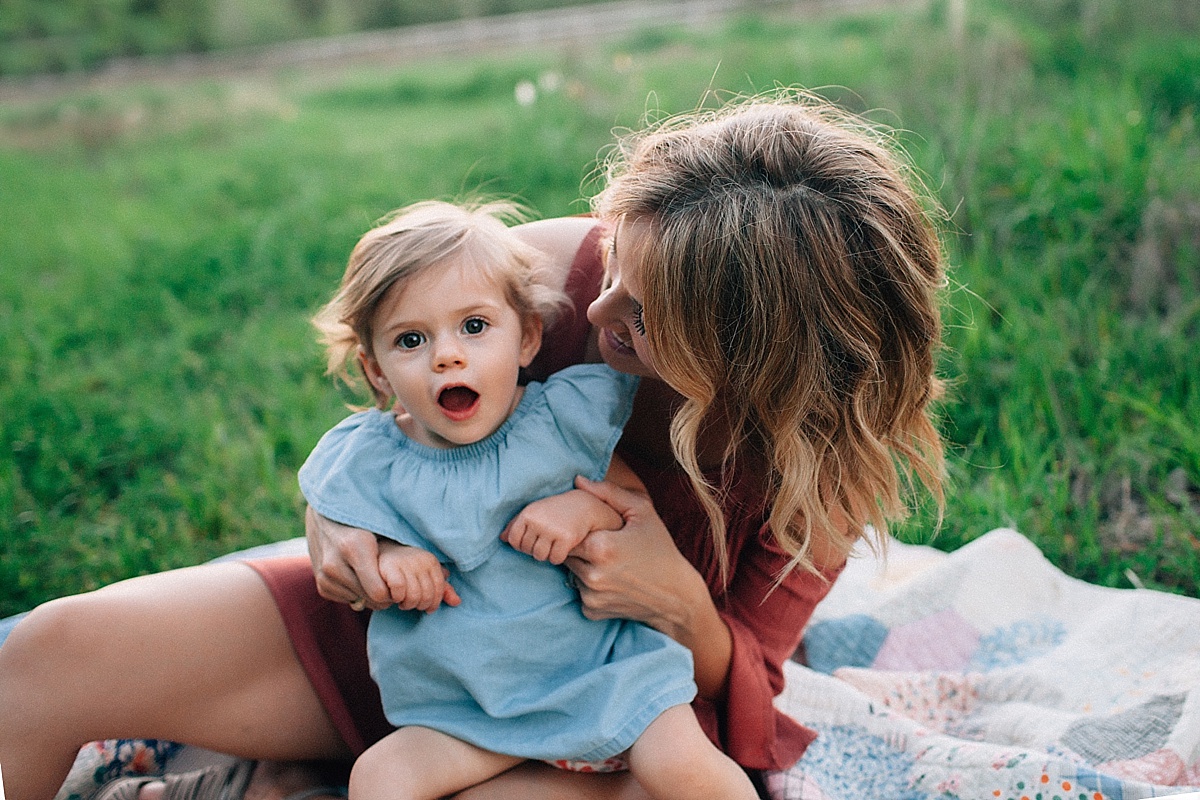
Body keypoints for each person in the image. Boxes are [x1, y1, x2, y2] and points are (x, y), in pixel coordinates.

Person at [0, 89, 947, 800]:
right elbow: (383, 427)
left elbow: (747, 689)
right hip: (409, 644)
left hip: (605, 704)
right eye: (616, 257)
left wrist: (679, 603)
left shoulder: (818, 462)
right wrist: (336, 532)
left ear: (752, 362)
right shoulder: (531, 278)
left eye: (644, 316)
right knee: (46, 653)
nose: (597, 303)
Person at [297, 199, 758, 800]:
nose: (447, 355)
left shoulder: (561, 419)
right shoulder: (369, 459)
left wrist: (582, 509)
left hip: (605, 675)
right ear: (376, 372)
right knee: (378, 779)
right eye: (411, 339)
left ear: (527, 336)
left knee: (685, 769)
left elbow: (630, 505)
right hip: (468, 709)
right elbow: (341, 537)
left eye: (474, 326)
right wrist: (387, 558)